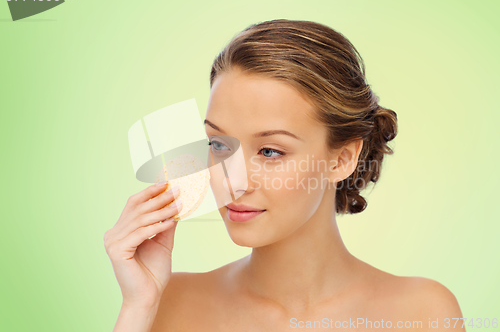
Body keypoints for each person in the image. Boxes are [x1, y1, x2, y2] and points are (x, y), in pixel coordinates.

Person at [105, 19, 464, 332]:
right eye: (218, 145)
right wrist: (138, 308)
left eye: (270, 151)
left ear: (342, 158)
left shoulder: (422, 314)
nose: (232, 181)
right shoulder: (171, 303)